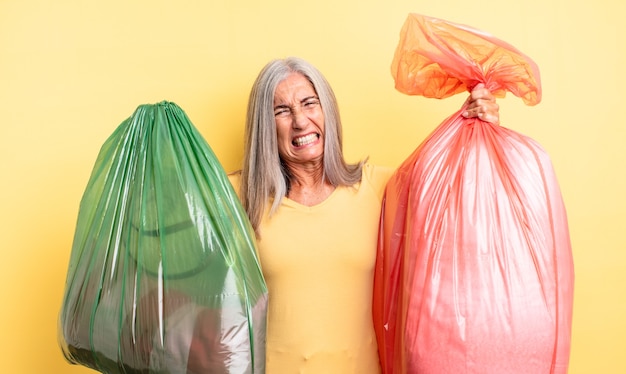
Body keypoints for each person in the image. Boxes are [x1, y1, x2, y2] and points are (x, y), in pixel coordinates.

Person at [228, 56, 500, 373]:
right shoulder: (237, 197)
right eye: (282, 111)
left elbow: (459, 193)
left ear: (327, 109)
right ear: (264, 125)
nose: (300, 121)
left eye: (309, 103)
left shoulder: (381, 189)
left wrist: (480, 128)